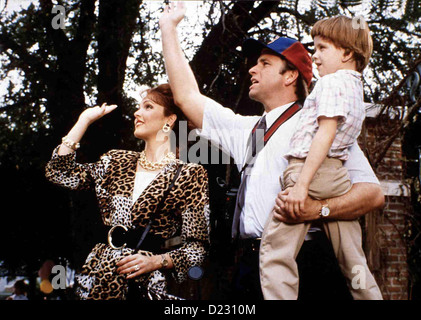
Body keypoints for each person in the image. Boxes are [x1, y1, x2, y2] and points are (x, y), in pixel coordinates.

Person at [159, 2, 384, 299]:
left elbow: (372, 194)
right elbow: (187, 97)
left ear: (290, 76)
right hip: (250, 266)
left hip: (304, 265)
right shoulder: (250, 131)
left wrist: (318, 210)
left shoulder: (318, 125)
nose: (252, 69)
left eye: (265, 63)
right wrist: (168, 28)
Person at [45, 84, 210, 300]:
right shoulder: (117, 161)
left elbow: (197, 249)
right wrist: (84, 120)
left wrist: (155, 261)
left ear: (169, 120)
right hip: (97, 277)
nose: (136, 113)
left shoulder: (189, 174)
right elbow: (59, 172)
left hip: (143, 285)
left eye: (148, 107)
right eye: (138, 107)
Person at [260, 16, 383, 300]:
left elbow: (324, 134)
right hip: (337, 176)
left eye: (321, 48)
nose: (315, 57)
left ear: (347, 52)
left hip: (310, 172)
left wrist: (301, 186)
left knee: (276, 252)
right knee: (353, 258)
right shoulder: (354, 87)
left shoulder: (330, 83)